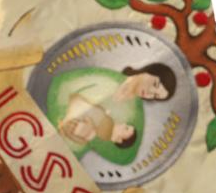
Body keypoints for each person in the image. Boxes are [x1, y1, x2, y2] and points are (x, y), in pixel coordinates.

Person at [46, 63, 177, 163]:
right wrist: (65, 117)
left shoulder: (135, 113)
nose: (149, 93)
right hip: (48, 125)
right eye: (155, 84)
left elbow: (126, 157)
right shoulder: (110, 76)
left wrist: (92, 137)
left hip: (64, 156)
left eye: (155, 96)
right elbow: (59, 84)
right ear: (148, 71)